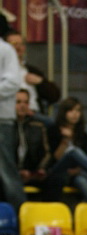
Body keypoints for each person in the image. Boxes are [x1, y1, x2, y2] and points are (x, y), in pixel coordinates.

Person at [6, 30, 61, 117]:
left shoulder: (32, 71)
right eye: (14, 44)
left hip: (33, 115)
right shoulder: (2, 70)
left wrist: (41, 82)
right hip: (7, 115)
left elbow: (55, 96)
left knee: (53, 123)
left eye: (21, 44)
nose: (18, 47)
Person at [0, 32, 25, 208]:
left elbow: (13, 82)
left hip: (1, 120)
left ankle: (21, 214)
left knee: (6, 171)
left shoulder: (5, 49)